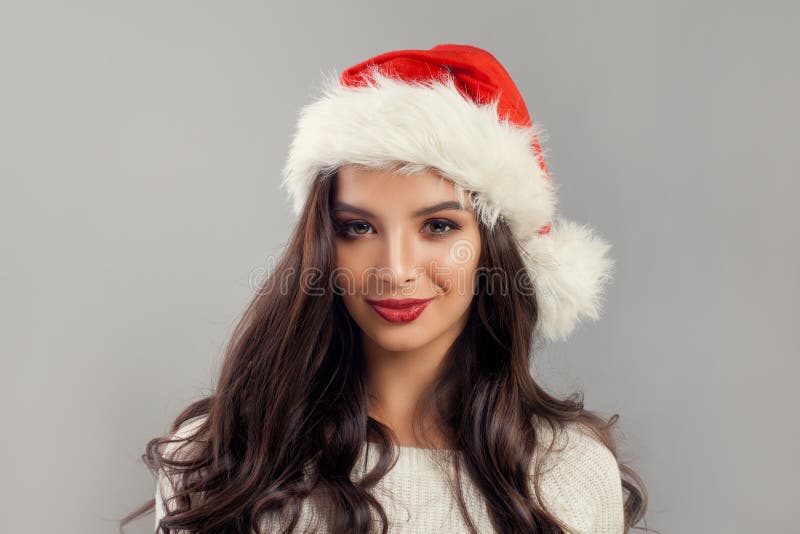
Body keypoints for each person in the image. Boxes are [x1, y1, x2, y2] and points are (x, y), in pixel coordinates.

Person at [121, 43, 650, 534]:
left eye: (438, 227)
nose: (395, 270)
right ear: (324, 244)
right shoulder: (221, 463)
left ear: (494, 248)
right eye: (359, 227)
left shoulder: (570, 475)